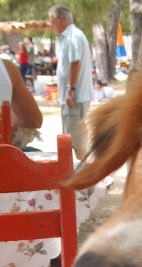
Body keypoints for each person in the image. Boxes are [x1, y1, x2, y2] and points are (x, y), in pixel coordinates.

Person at [49, 4, 93, 159]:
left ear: (61, 19)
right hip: (73, 96)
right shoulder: (70, 36)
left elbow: (75, 62)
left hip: (75, 97)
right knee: (72, 141)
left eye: (52, 22)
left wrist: (70, 90)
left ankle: (86, 179)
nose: (52, 26)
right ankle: (83, 177)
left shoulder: (73, 35)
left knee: (78, 143)